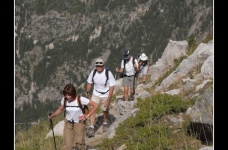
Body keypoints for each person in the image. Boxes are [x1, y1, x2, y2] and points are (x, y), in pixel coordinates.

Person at [48, 84, 98, 150]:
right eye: (65, 95)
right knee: (67, 145)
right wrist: (52, 115)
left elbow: (95, 105)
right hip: (68, 123)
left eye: (69, 95)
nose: (67, 97)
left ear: (73, 93)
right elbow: (60, 109)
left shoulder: (81, 99)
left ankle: (86, 148)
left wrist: (87, 116)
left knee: (79, 143)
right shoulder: (64, 99)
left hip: (79, 123)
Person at [85, 58, 116, 138]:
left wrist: (108, 100)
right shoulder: (93, 72)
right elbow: (89, 83)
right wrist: (87, 91)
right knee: (92, 109)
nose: (99, 67)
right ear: (96, 66)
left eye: (100, 66)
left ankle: (105, 123)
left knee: (105, 110)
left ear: (103, 66)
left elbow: (112, 87)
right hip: (96, 93)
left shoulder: (108, 73)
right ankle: (92, 127)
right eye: (97, 65)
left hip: (105, 94)